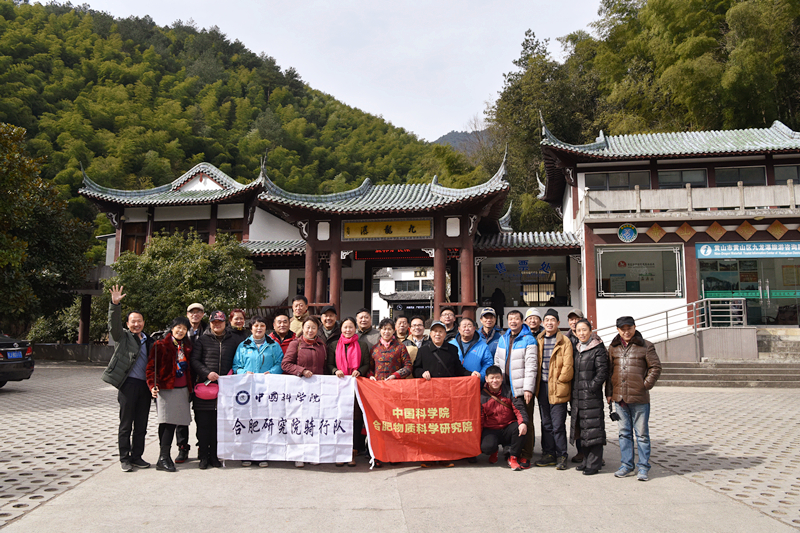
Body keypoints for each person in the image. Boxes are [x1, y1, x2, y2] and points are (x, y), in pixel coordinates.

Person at [102, 284, 154, 472]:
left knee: (141, 425)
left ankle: (137, 456)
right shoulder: (122, 337)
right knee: (126, 425)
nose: (136, 324)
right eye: (133, 321)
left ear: (143, 322)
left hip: (145, 387)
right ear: (127, 324)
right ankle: (124, 458)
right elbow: (113, 325)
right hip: (128, 385)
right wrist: (114, 305)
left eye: (139, 321)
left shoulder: (149, 340)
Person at [414, 320, 478, 468]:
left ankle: (445, 456)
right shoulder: (423, 350)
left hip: (447, 395)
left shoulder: (452, 349)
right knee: (429, 426)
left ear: (445, 334)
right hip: (428, 396)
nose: (437, 334)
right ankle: (428, 456)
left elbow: (458, 370)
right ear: (430, 334)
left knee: (445, 426)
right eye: (435, 331)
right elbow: (415, 369)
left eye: (440, 331)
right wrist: (422, 372)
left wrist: (471, 374)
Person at [606, 316, 662, 482]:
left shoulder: (646, 346)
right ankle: (626, 465)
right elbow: (609, 372)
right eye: (622, 329)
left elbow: (655, 367)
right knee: (624, 433)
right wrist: (609, 393)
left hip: (639, 398)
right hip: (620, 398)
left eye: (629, 328)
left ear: (634, 327)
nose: (626, 332)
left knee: (642, 434)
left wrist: (645, 385)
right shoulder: (613, 347)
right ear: (618, 330)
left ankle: (643, 467)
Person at [190, 310, 239, 470]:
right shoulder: (202, 340)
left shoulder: (233, 340)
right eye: (214, 322)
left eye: (220, 322)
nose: (217, 325)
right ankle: (203, 456)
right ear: (210, 324)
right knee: (203, 425)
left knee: (218, 426)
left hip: (225, 390)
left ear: (225, 323)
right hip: (205, 388)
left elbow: (237, 361)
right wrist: (206, 373)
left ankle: (215, 456)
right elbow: (194, 360)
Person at [232, 316, 284, 468]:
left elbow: (280, 363)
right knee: (247, 421)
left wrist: (271, 372)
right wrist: (244, 372)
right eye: (256, 326)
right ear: (251, 328)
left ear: (266, 328)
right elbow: (236, 366)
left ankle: (262, 454)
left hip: (267, 390)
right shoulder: (243, 346)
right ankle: (245, 454)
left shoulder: (273, 345)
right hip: (247, 391)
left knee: (264, 421)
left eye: (262, 325)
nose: (259, 328)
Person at [146, 316, 193, 473]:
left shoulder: (187, 346)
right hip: (166, 390)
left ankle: (166, 456)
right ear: (172, 328)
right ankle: (163, 457)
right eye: (178, 327)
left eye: (184, 329)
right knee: (167, 423)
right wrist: (152, 385)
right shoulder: (160, 345)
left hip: (183, 389)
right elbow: (151, 368)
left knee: (179, 422)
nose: (181, 331)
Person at [281, 316, 328, 468]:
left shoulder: (322, 345)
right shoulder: (296, 344)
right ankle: (298, 455)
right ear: (303, 328)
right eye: (307, 327)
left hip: (316, 391)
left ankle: (312, 453)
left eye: (313, 328)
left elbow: (325, 366)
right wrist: (301, 370)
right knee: (299, 422)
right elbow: (285, 364)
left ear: (317, 329)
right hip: (299, 390)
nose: (310, 330)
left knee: (314, 422)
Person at [493, 310, 537, 468]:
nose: (513, 321)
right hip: (505, 389)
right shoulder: (503, 338)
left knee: (526, 421)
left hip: (521, 389)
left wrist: (528, 388)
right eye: (510, 319)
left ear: (522, 321)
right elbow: (497, 361)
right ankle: (512, 452)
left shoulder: (529, 339)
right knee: (511, 422)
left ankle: (526, 454)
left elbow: (531, 366)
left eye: (516, 319)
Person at [534, 309, 574, 471]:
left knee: (558, 425)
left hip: (558, 387)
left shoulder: (565, 341)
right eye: (547, 320)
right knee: (546, 423)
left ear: (558, 323)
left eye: (553, 320)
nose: (549, 323)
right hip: (542, 387)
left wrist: (559, 381)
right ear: (543, 323)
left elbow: (568, 366)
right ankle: (548, 454)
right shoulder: (539, 339)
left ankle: (562, 455)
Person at [329, 316, 371, 466]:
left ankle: (353, 450)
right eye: (345, 327)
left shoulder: (362, 345)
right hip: (339, 387)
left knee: (355, 419)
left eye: (351, 327)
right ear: (341, 328)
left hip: (356, 387)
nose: (348, 330)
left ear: (355, 328)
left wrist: (360, 371)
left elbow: (366, 363)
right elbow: (329, 364)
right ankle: (340, 451)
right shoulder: (334, 345)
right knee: (340, 417)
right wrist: (335, 370)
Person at [570, 319, 608, 476]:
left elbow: (602, 371)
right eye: (578, 330)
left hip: (591, 396)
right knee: (584, 430)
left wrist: (591, 387)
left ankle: (594, 464)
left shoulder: (597, 348)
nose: (581, 333)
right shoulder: (577, 348)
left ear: (591, 331)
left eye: (584, 330)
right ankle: (586, 460)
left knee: (594, 430)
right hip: (578, 397)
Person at [480, 365, 529, 471]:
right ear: (486, 379)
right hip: (491, 429)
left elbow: (519, 408)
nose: (495, 381)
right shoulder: (481, 395)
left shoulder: (509, 391)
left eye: (497, 377)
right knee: (487, 447)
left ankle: (513, 457)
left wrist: (523, 422)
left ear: (502, 378)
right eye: (492, 378)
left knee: (521, 428)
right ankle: (494, 451)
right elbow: (480, 418)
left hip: (508, 426)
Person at [565, 307, 584, 463]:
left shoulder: (592, 338)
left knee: (592, 420)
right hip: (572, 386)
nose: (574, 321)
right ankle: (581, 451)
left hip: (588, 386)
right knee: (576, 420)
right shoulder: (565, 339)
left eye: (577, 318)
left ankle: (594, 452)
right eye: (571, 319)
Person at [450, 317, 493, 382]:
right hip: (454, 382)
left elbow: (488, 364)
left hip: (474, 382)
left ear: (474, 329)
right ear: (459, 329)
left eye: (469, 326)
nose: (467, 328)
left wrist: (480, 376)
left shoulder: (483, 346)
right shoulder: (451, 344)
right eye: (464, 326)